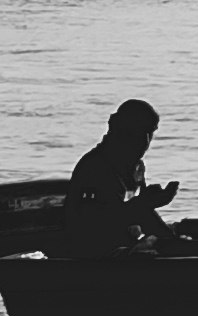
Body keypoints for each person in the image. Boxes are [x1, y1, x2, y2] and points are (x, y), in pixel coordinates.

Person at [70, 99, 175, 251]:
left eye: (150, 132)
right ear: (119, 129)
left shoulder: (135, 167)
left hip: (130, 249)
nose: (145, 141)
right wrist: (144, 203)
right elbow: (96, 224)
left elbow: (144, 216)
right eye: (139, 131)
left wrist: (169, 239)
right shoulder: (95, 168)